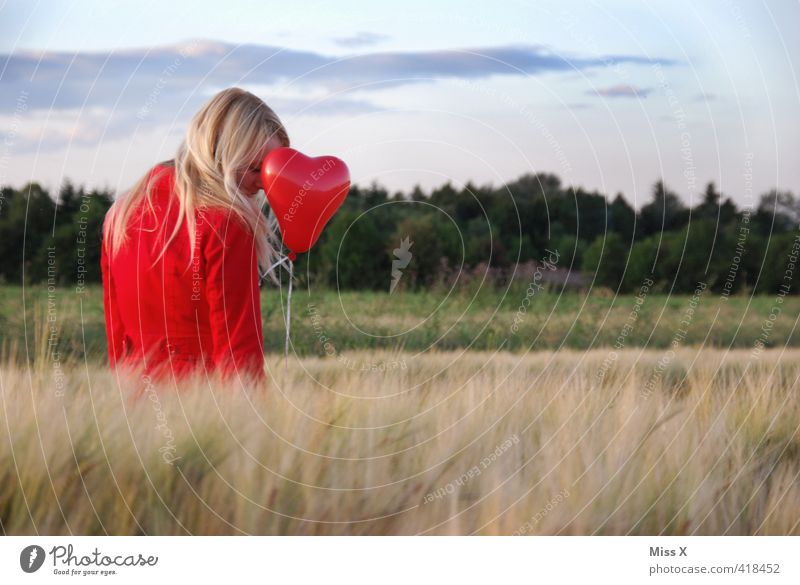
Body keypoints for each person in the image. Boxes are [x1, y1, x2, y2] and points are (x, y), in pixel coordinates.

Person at [101, 87, 289, 386]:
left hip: (133, 395)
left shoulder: (123, 212)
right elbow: (239, 350)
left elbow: (117, 333)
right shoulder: (227, 222)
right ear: (225, 154)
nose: (265, 183)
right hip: (204, 399)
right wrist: (254, 425)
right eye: (257, 168)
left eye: (272, 170)